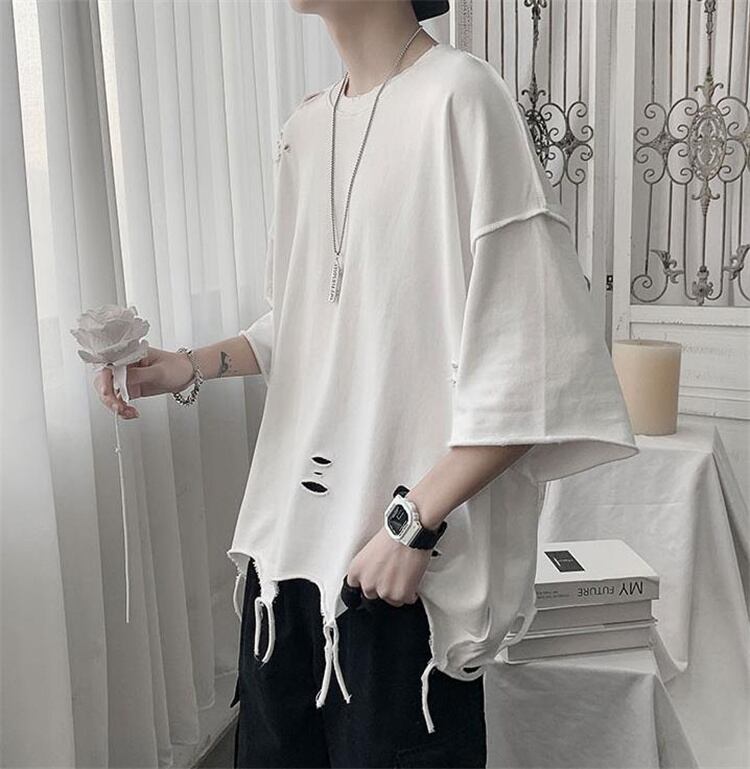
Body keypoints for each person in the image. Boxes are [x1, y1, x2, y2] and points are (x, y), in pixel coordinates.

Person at [95, 0, 639, 766]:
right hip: (284, 564)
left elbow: (538, 362)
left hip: (396, 570)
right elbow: (310, 321)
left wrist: (414, 522)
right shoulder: (305, 127)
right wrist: (186, 365)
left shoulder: (461, 97)